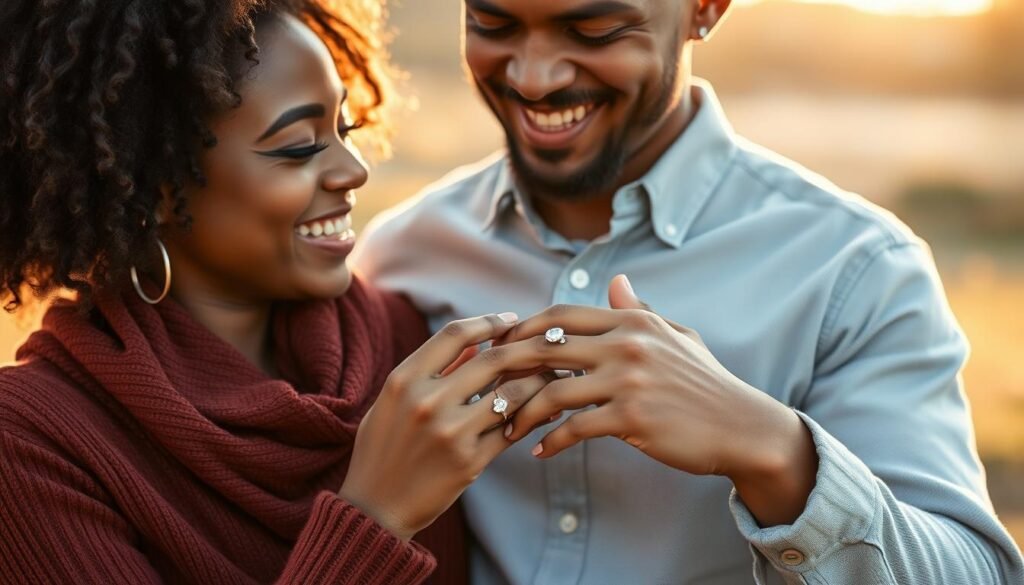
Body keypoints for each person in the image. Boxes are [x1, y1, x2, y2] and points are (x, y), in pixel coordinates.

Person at [353, 0, 1024, 583]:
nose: (534, 76)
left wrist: (772, 448)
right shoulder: (400, 254)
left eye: (593, 31)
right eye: (492, 23)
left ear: (705, 6)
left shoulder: (858, 270)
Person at [0, 1, 563, 583]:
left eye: (343, 130)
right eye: (299, 147)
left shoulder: (404, 345)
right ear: (157, 187)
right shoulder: (31, 445)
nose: (353, 170)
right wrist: (377, 516)